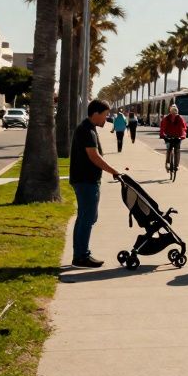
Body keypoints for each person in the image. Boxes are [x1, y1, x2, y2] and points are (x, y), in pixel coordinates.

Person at [70, 99, 123, 268]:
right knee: (87, 218)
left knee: (87, 217)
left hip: (87, 180)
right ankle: (81, 256)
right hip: (85, 180)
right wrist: (114, 171)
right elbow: (94, 156)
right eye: (105, 115)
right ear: (96, 114)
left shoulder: (89, 128)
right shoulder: (86, 130)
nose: (106, 119)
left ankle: (80, 254)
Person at [159, 105, 188, 174]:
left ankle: (176, 165)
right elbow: (162, 127)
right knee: (169, 149)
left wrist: (183, 135)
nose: (174, 114)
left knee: (177, 150)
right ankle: (167, 163)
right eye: (173, 113)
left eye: (175, 113)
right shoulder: (166, 118)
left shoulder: (180, 118)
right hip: (168, 136)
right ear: (170, 112)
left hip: (178, 136)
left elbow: (184, 128)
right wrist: (162, 135)